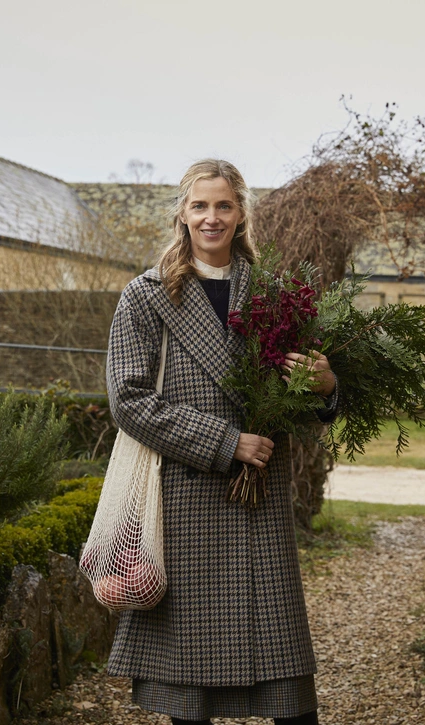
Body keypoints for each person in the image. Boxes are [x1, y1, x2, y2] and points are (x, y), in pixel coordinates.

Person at [104, 159, 337, 725]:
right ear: (182, 214)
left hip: (258, 503)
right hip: (188, 499)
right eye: (200, 205)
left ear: (241, 214)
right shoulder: (146, 297)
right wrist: (227, 442)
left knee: (287, 686)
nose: (212, 217)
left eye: (224, 205)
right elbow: (128, 399)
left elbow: (295, 396)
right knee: (191, 690)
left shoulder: (275, 294)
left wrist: (326, 384)